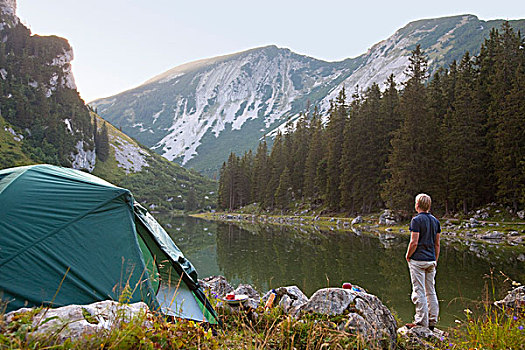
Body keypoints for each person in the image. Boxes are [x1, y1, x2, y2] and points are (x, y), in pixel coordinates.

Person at [405, 193, 441, 330]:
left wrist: (408, 255)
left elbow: (414, 242)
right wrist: (435, 259)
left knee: (418, 291)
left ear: (417, 205)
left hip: (418, 260)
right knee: (431, 291)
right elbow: (437, 244)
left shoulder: (416, 220)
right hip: (431, 260)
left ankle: (421, 322)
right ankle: (432, 320)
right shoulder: (435, 221)